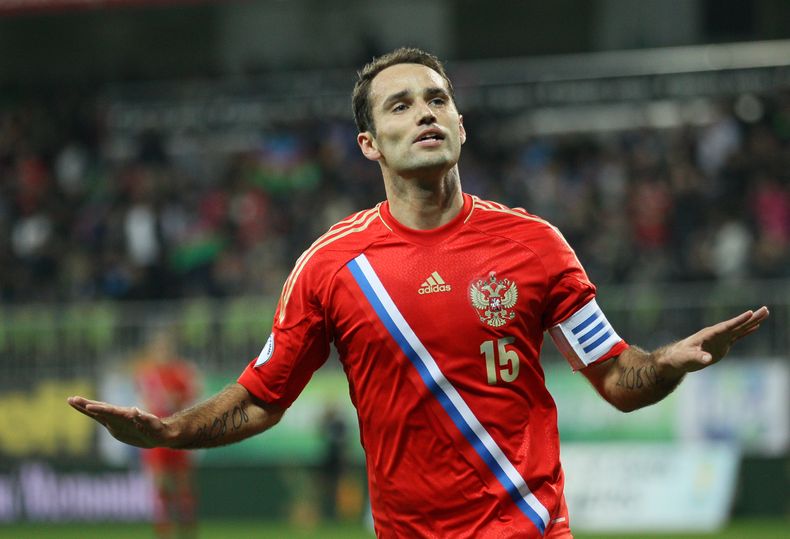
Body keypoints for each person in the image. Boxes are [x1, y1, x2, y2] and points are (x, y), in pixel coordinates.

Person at [68, 48, 769, 538]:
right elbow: (260, 397)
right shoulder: (332, 266)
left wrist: (667, 363)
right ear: (370, 143)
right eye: (401, 105)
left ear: (460, 125)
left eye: (438, 99)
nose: (426, 113)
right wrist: (169, 430)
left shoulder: (535, 246)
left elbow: (618, 375)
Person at [133, 332, 201, 538]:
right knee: (160, 483)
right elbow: (144, 401)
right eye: (159, 349)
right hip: (155, 436)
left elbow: (190, 398)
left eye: (166, 348)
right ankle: (164, 531)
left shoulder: (181, 373)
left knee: (183, 483)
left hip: (177, 433)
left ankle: (187, 528)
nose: (163, 353)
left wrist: (175, 400)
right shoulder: (147, 375)